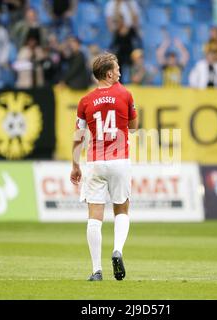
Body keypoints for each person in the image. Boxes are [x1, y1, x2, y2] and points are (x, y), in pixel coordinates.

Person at [70, 52, 139, 281]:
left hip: (95, 162)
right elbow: (134, 126)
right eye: (117, 68)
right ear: (109, 73)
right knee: (122, 208)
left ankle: (96, 270)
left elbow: (79, 136)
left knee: (94, 217)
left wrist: (75, 165)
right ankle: (117, 249)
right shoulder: (125, 94)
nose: (120, 71)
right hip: (119, 161)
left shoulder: (85, 101)